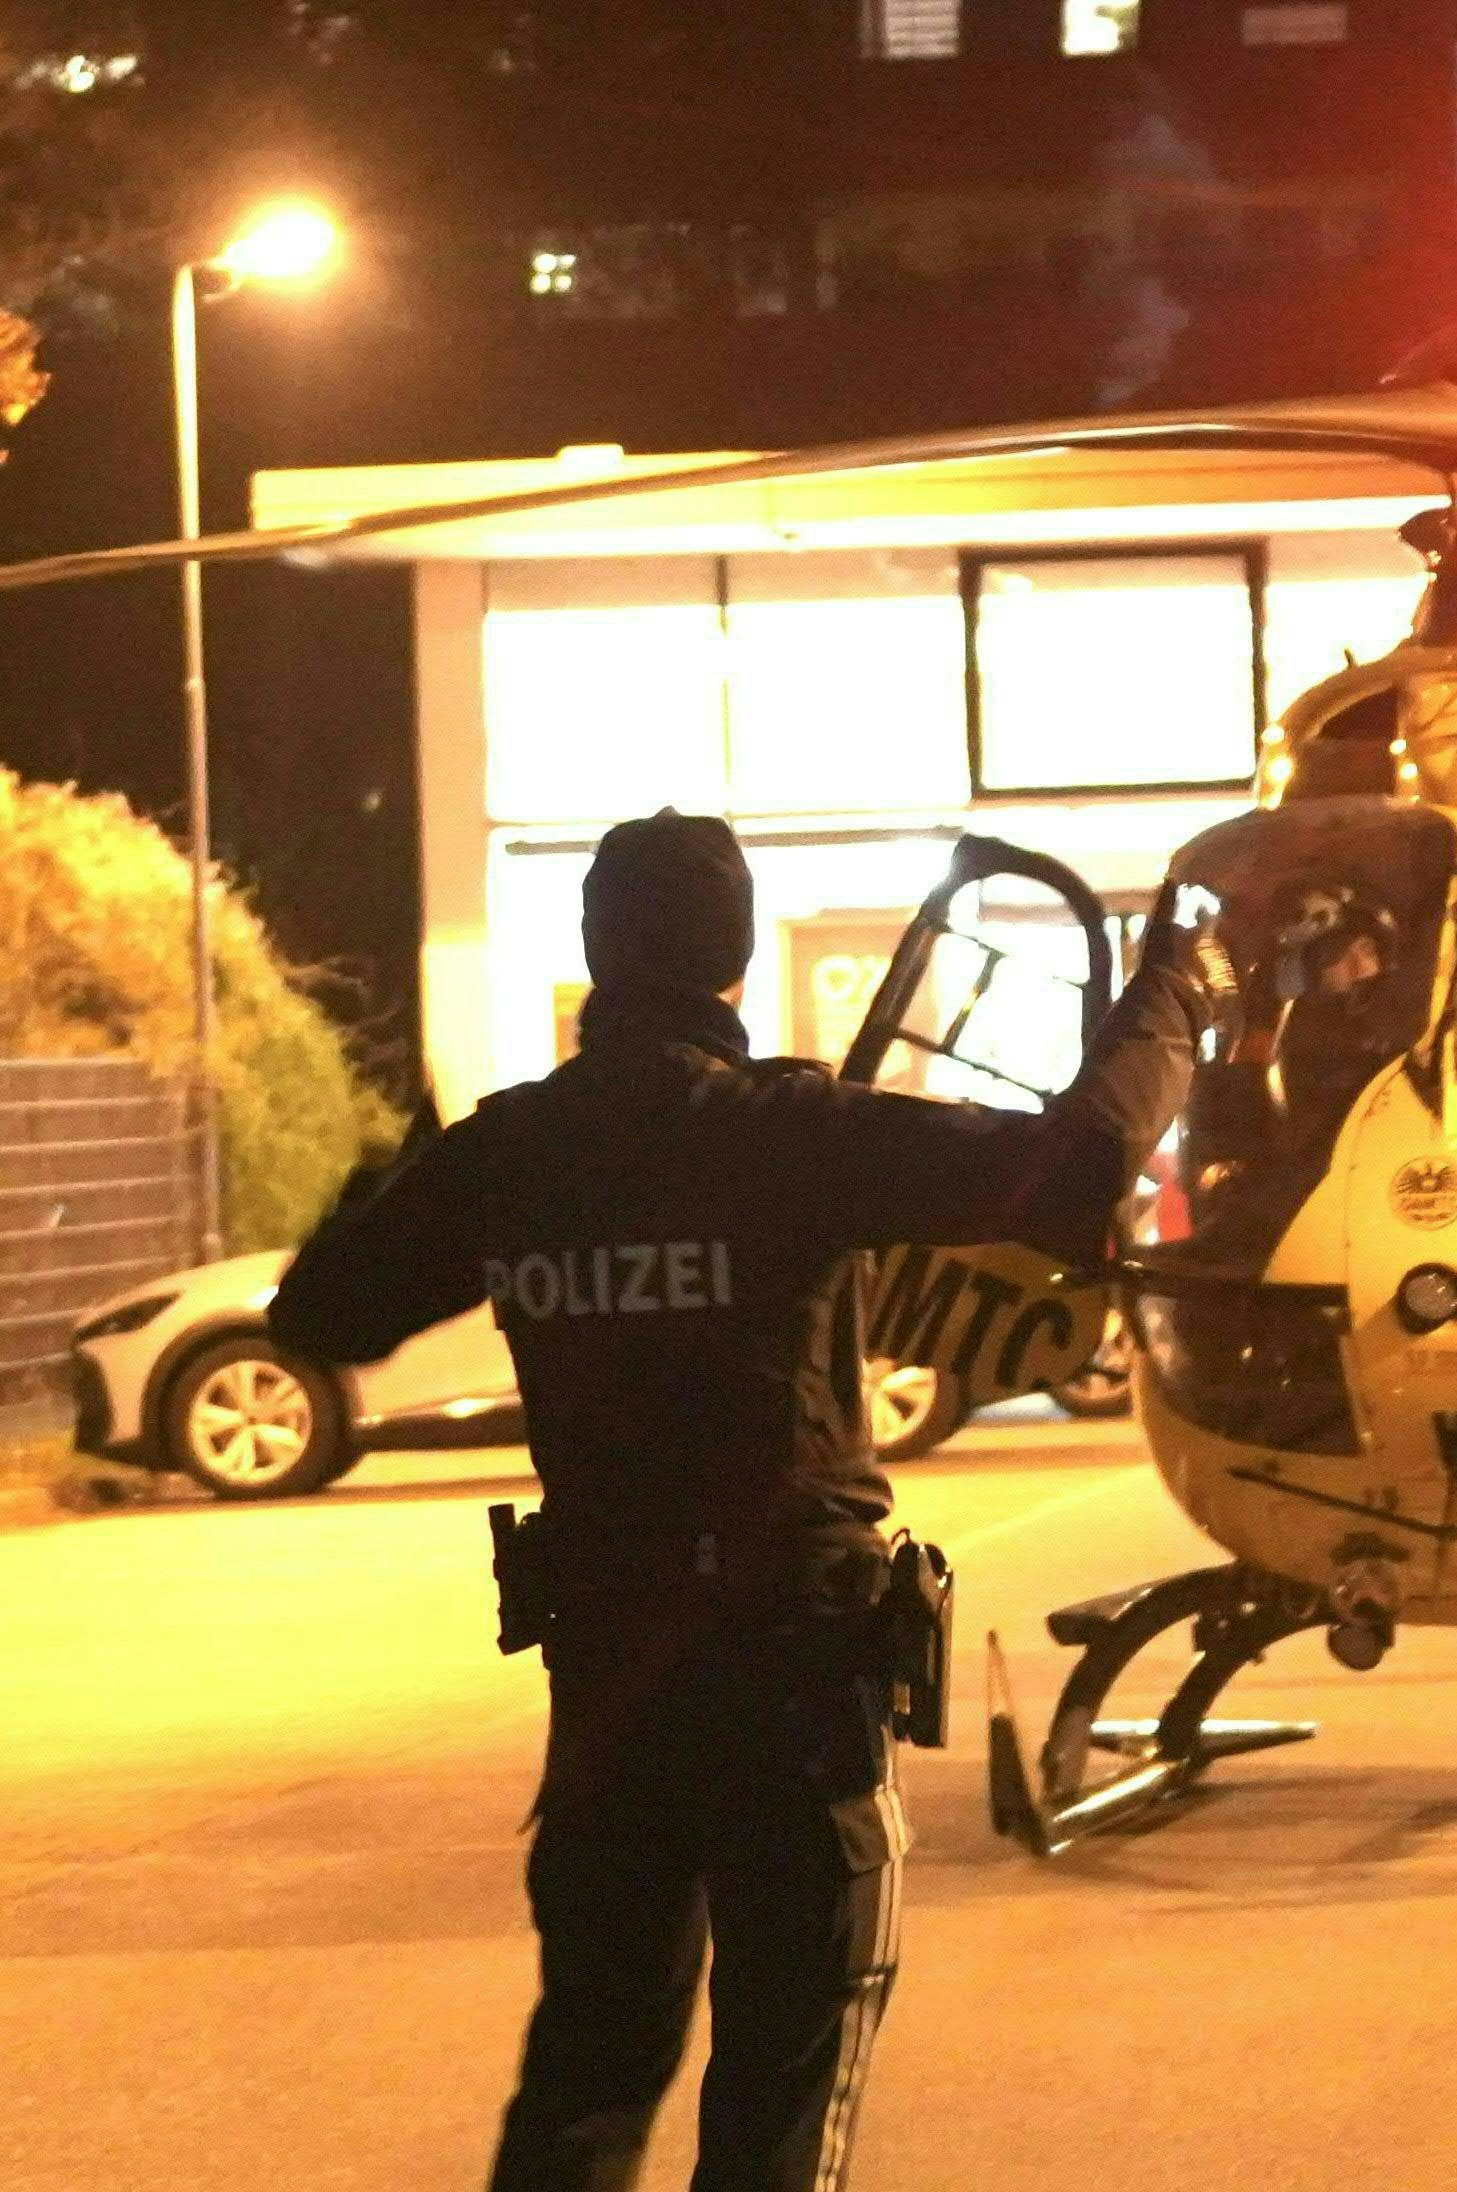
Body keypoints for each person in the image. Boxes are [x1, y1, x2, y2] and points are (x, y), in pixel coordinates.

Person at [269, 811, 1215, 2192]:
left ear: (596, 950)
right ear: (730, 959)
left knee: (584, 2083)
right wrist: (1175, 1002)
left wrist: (396, 1179)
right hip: (790, 1679)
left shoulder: (515, 1154)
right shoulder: (791, 1134)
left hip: (607, 1689)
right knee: (783, 2083)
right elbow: (1069, 1176)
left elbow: (325, 1312)